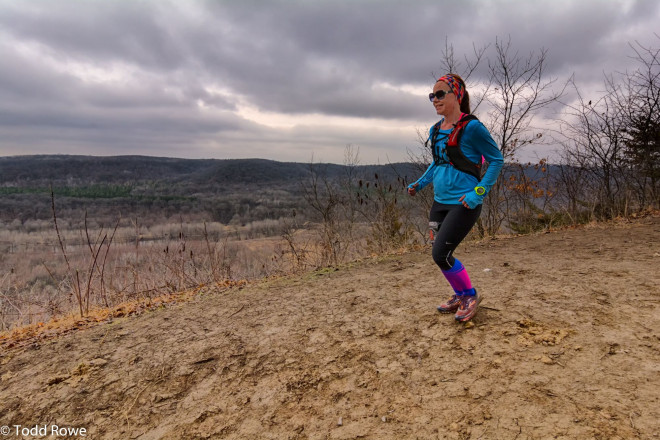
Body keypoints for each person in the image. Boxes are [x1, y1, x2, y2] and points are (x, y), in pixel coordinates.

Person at [408, 73, 503, 322]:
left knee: (441, 253)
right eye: (432, 96)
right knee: (440, 254)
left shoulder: (472, 127)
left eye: (440, 94)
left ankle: (470, 295)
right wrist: (420, 184)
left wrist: (478, 193)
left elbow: (496, 160)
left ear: (456, 95)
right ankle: (460, 294)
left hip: (464, 202)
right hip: (440, 202)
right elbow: (438, 163)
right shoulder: (436, 129)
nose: (434, 99)